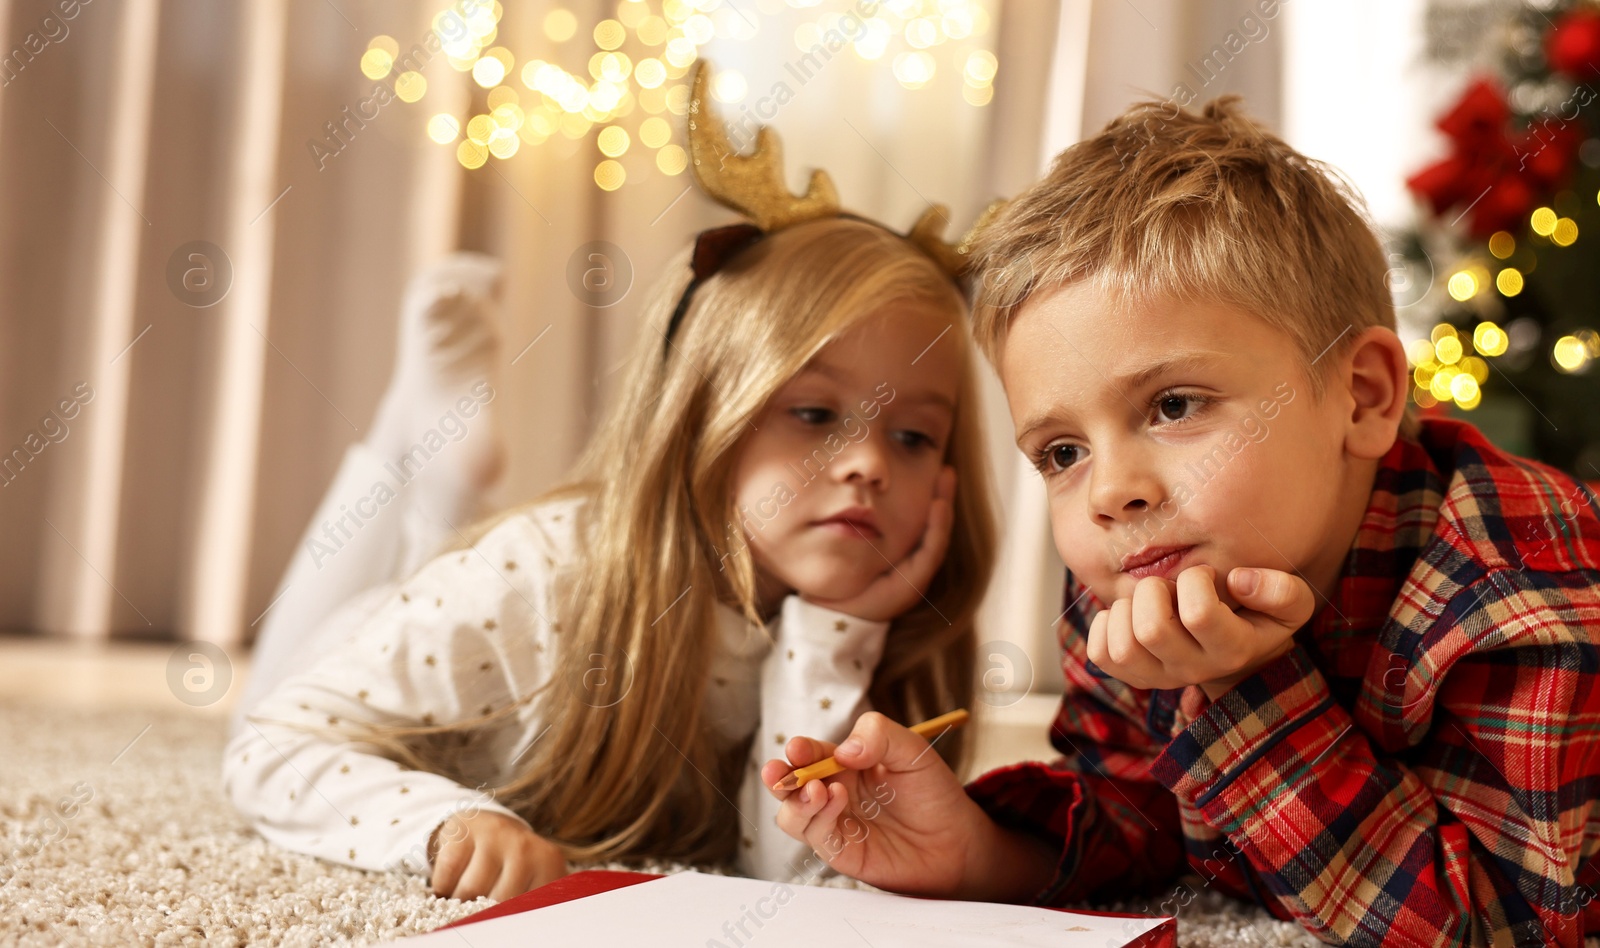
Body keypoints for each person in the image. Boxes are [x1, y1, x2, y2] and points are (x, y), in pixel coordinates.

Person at [762, 95, 1600, 947]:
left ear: (1363, 396)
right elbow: (1150, 817)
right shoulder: (1142, 564)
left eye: (1172, 405)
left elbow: (1505, 929)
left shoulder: (1517, 596)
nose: (1109, 491)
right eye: (1061, 453)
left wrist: (1246, 689)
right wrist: (979, 853)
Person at [223, 62, 997, 905]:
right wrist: (446, 825)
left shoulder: (879, 632)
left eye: (915, 434)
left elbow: (792, 875)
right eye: (813, 415)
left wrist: (839, 632)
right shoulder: (541, 577)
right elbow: (274, 747)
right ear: (701, 417)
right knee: (266, 691)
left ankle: (441, 474)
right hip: (381, 653)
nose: (870, 465)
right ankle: (419, 442)